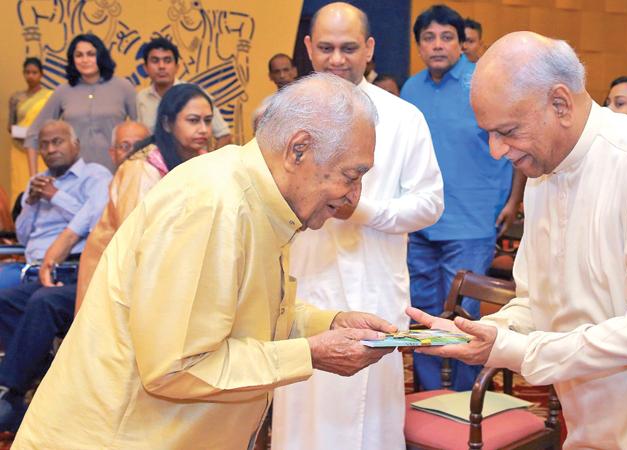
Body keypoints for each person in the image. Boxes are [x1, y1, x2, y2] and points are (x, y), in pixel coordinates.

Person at [408, 31, 627, 449]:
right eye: (488, 132)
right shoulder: (544, 172)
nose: (496, 151)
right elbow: (537, 299)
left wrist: (519, 351)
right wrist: (487, 332)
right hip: (592, 421)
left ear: (559, 103)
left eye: (507, 131)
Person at [13, 73, 398, 449]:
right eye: (351, 176)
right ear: (298, 149)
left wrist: (328, 324)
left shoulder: (260, 200)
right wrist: (311, 352)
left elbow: (240, 317)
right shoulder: (211, 204)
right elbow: (179, 365)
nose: (353, 197)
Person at [271, 4, 444, 450]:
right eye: (326, 47)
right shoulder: (280, 117)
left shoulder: (403, 118)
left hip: (374, 290)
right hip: (304, 288)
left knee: (371, 425)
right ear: (308, 48)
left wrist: (360, 209)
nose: (336, 59)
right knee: (302, 410)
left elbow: (429, 204)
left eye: (348, 48)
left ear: (369, 49)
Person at [401, 4, 512, 392]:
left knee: (467, 318)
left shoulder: (481, 84)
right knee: (421, 314)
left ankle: (466, 396)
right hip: (419, 223)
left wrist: (513, 202)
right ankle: (430, 392)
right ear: (417, 45)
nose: (437, 45)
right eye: (428, 37)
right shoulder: (410, 89)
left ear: (461, 43)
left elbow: (512, 145)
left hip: (471, 221)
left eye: (447, 37)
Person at [0, 120, 111, 432]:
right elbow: (22, 233)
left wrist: (55, 195)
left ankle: (10, 390)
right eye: (45, 144)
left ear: (75, 144)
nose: (50, 150)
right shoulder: (38, 181)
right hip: (32, 266)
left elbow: (95, 220)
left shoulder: (96, 176)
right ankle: (40, 374)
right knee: (3, 300)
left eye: (57, 142)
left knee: (42, 302)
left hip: (73, 268)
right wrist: (32, 203)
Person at [75, 84, 213, 309]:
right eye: (193, 120)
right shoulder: (141, 168)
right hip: (120, 278)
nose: (203, 129)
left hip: (168, 272)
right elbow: (136, 240)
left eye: (208, 120)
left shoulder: (203, 162)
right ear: (167, 124)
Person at [24, 34, 137, 173]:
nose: (85, 60)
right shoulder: (63, 91)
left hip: (116, 174)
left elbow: (144, 134)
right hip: (74, 178)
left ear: (101, 56)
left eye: (90, 54)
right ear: (73, 59)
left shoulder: (123, 87)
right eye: (79, 55)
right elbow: (33, 134)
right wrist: (34, 177)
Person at [135, 37, 232, 149]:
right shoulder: (141, 98)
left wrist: (210, 163)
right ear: (145, 68)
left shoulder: (196, 95)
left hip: (192, 164)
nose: (161, 66)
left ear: (177, 67)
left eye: (167, 60)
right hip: (155, 164)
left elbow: (224, 136)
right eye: (155, 61)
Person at [8, 57, 51, 198]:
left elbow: (53, 124)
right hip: (20, 150)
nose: (30, 76)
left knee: (42, 186)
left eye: (34, 72)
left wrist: (37, 134)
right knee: (20, 188)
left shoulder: (50, 97)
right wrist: (26, 133)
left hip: (42, 150)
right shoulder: (16, 98)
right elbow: (11, 127)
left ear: (41, 74)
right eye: (27, 72)